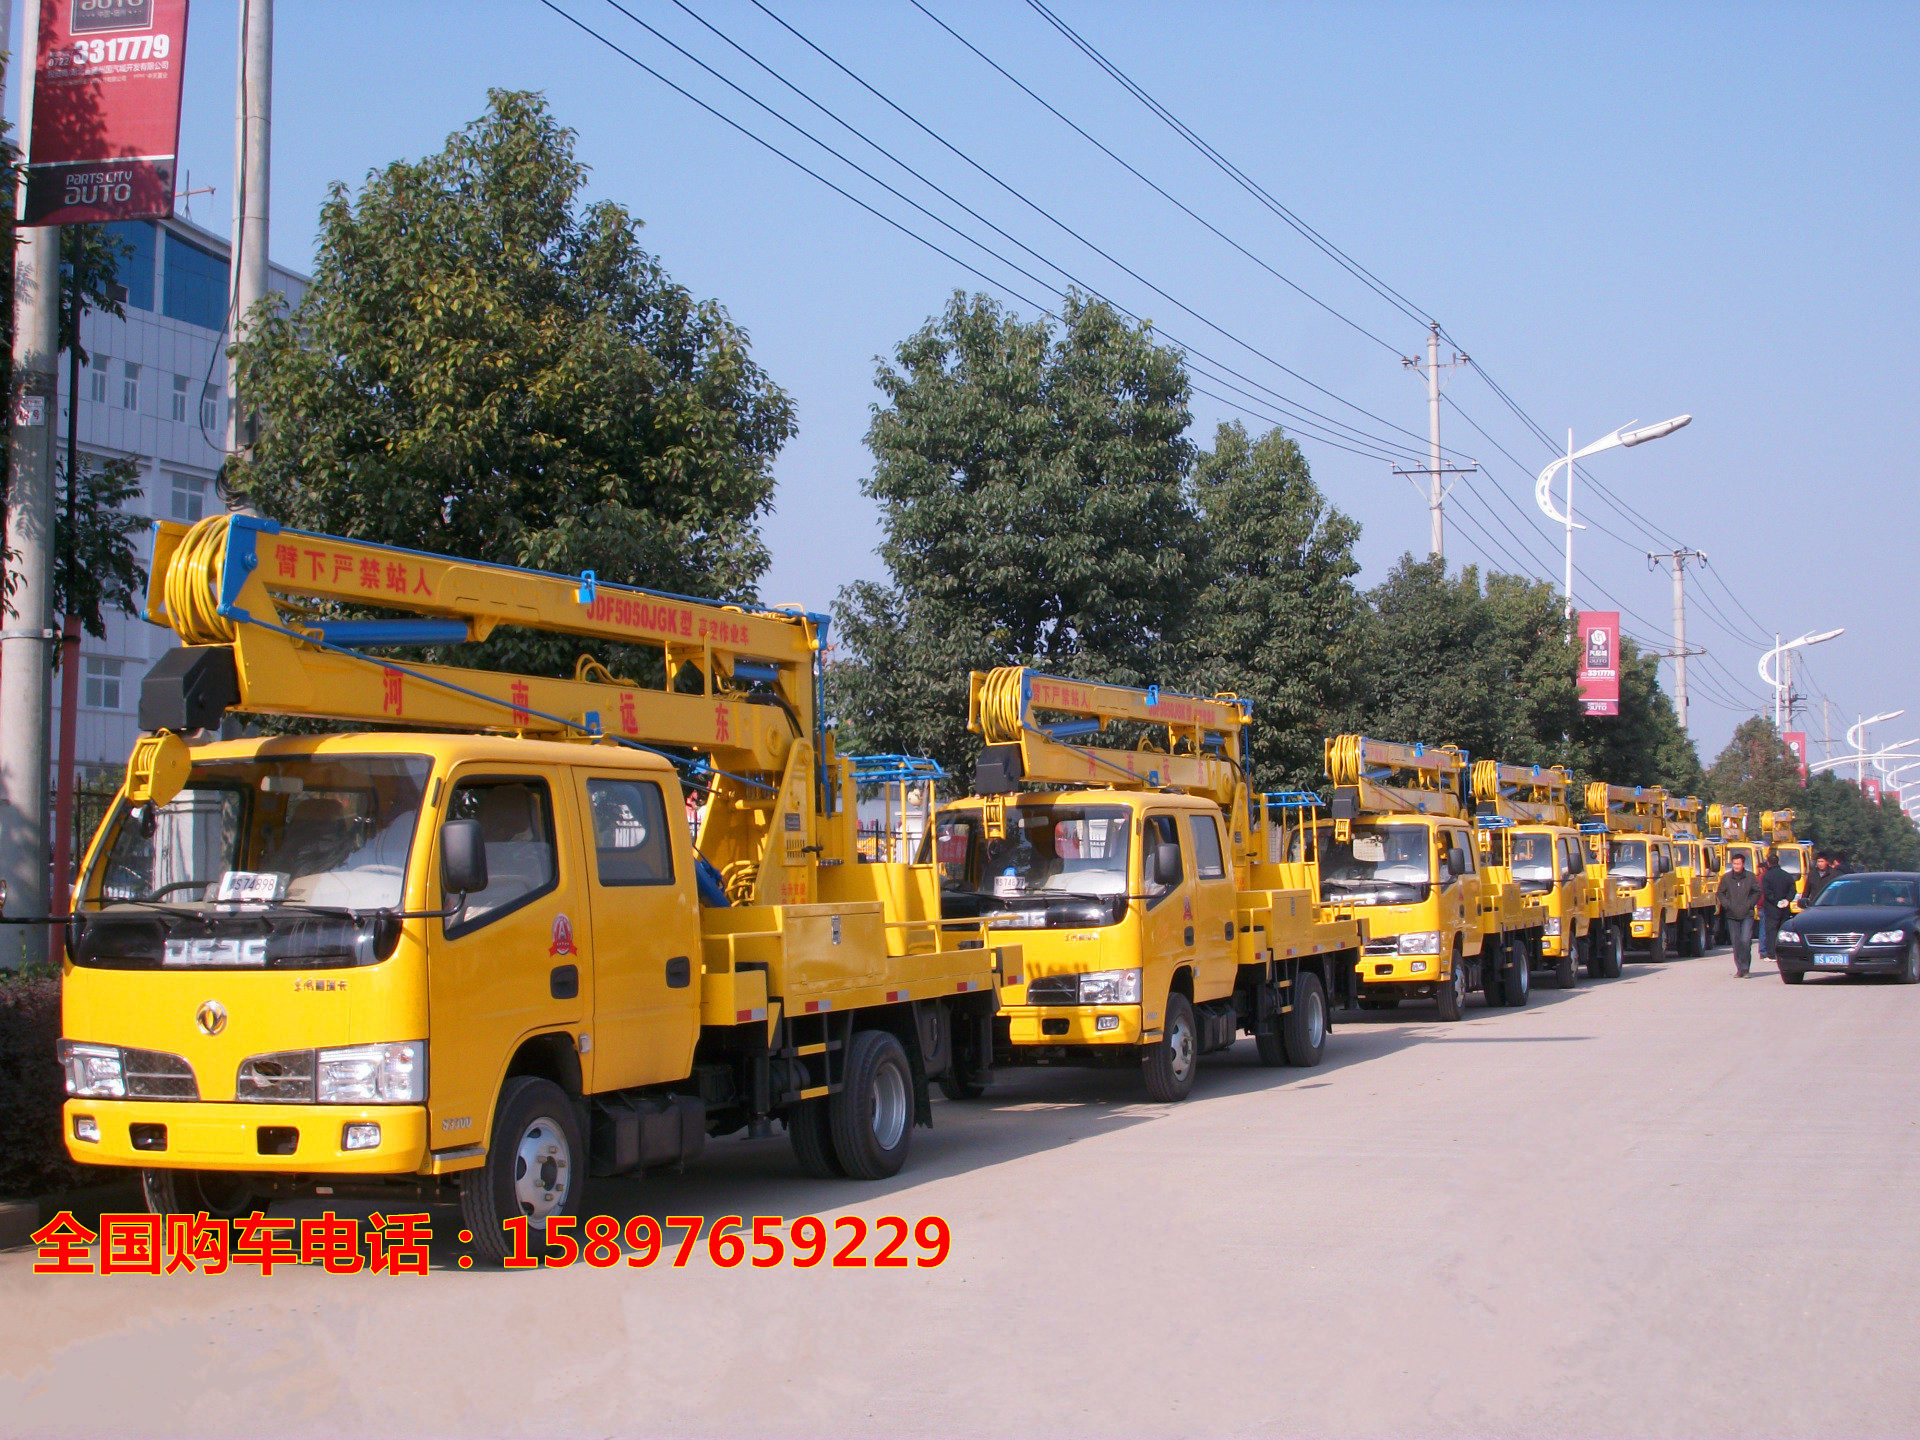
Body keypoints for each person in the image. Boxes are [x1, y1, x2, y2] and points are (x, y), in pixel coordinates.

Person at [1715, 850, 1762, 978]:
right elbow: (1720, 893)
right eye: (1734, 864)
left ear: (1743, 864)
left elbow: (1757, 892)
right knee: (1736, 942)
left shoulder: (1750, 877)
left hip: (1747, 914)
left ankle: (1746, 969)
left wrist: (1749, 904)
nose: (1736, 866)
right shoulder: (1726, 878)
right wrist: (1727, 904)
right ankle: (1740, 968)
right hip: (1732, 914)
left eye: (1738, 864)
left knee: (1745, 940)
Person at [1759, 847, 1797, 967]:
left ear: (1769, 863)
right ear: (1778, 862)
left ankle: (1771, 954)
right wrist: (1787, 900)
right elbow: (1793, 890)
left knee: (1771, 931)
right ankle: (1784, 952)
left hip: (1771, 908)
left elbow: (1767, 892)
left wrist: (1776, 901)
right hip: (1785, 908)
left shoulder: (1767, 876)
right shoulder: (1787, 875)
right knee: (1784, 931)